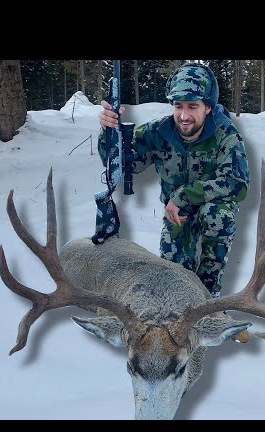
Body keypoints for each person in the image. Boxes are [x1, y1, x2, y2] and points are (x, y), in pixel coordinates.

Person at [97, 62, 250, 298]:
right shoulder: (158, 132)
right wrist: (108, 132)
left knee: (216, 216)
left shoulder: (226, 135)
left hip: (213, 209)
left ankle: (211, 297)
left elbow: (238, 184)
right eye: (178, 106)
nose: (184, 115)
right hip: (176, 215)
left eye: (193, 106)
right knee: (173, 277)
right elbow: (125, 164)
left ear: (208, 107)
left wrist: (184, 195)